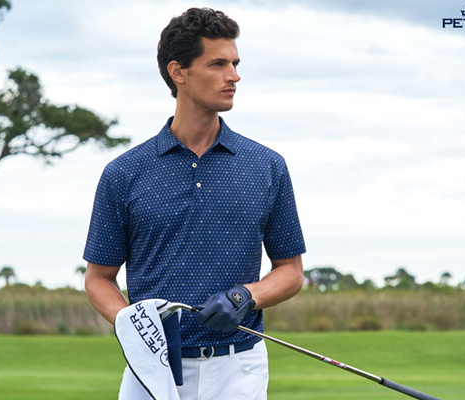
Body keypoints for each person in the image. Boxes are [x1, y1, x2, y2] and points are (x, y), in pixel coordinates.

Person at [83, 7, 306, 400]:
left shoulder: (267, 166)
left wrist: (246, 296)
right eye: (218, 64)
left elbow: (290, 271)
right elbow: (98, 278)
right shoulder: (124, 173)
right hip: (152, 370)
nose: (234, 76)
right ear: (178, 72)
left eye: (235, 64)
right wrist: (136, 328)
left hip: (240, 367)